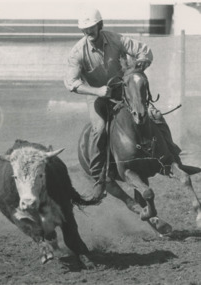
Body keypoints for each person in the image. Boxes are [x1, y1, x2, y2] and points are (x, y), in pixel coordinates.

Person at [64, 7, 178, 202]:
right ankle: (100, 177)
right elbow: (71, 83)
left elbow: (145, 51)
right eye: (84, 29)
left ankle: (173, 155)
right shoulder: (77, 52)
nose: (88, 32)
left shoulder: (116, 39)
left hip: (125, 91)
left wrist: (137, 68)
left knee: (155, 115)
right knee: (99, 130)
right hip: (97, 97)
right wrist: (97, 91)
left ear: (100, 26)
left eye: (91, 28)